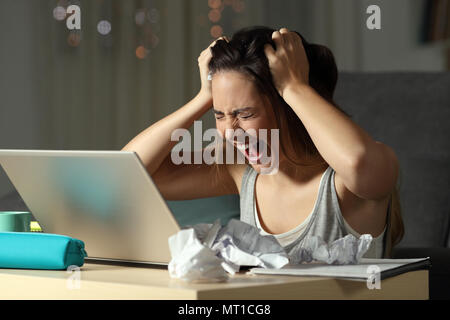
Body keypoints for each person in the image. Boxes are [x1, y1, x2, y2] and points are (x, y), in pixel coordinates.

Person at [122, 26, 404, 258]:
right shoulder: (240, 169)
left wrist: (295, 87)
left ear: (291, 106)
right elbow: (127, 174)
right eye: (220, 115)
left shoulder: (345, 184)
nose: (231, 131)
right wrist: (204, 97)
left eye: (245, 114)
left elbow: (359, 162)